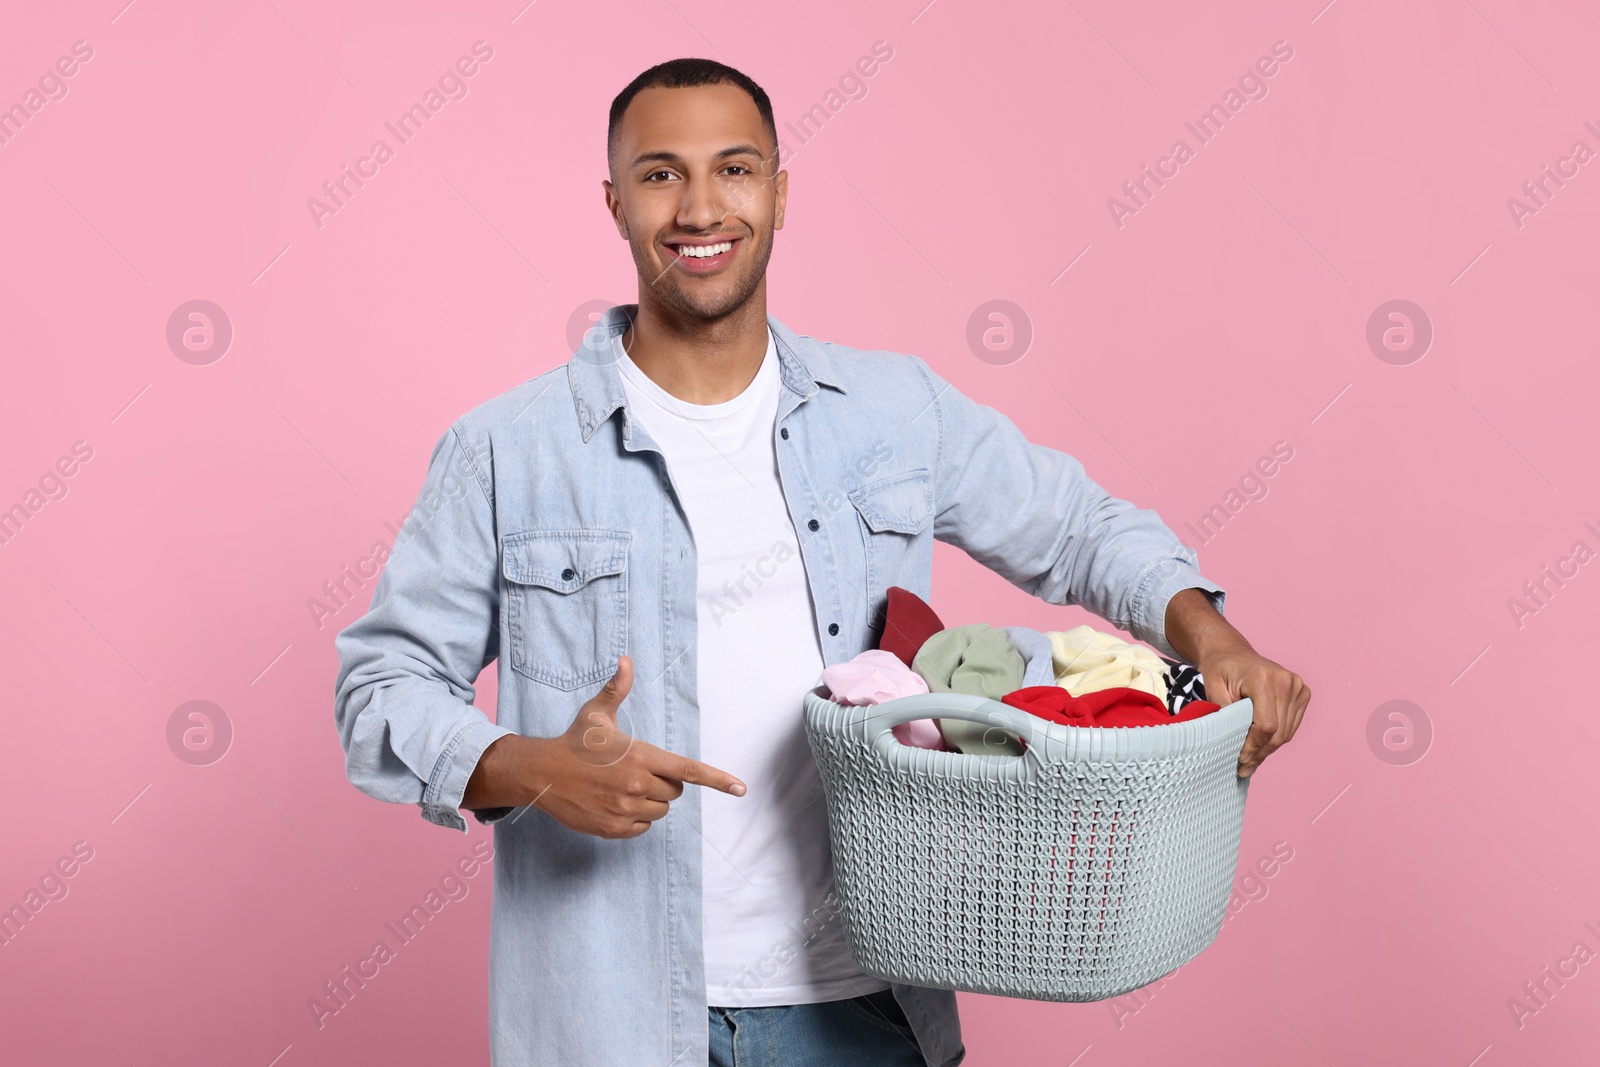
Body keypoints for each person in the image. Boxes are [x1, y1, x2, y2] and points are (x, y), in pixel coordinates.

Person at [332, 57, 1311, 1067]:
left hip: (864, 1007)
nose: (701, 205)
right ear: (615, 202)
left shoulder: (894, 411)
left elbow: (1080, 528)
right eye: (661, 174)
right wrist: (527, 766)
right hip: (607, 1017)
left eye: (735, 168)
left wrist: (1211, 635)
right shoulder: (506, 448)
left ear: (780, 193)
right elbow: (382, 686)